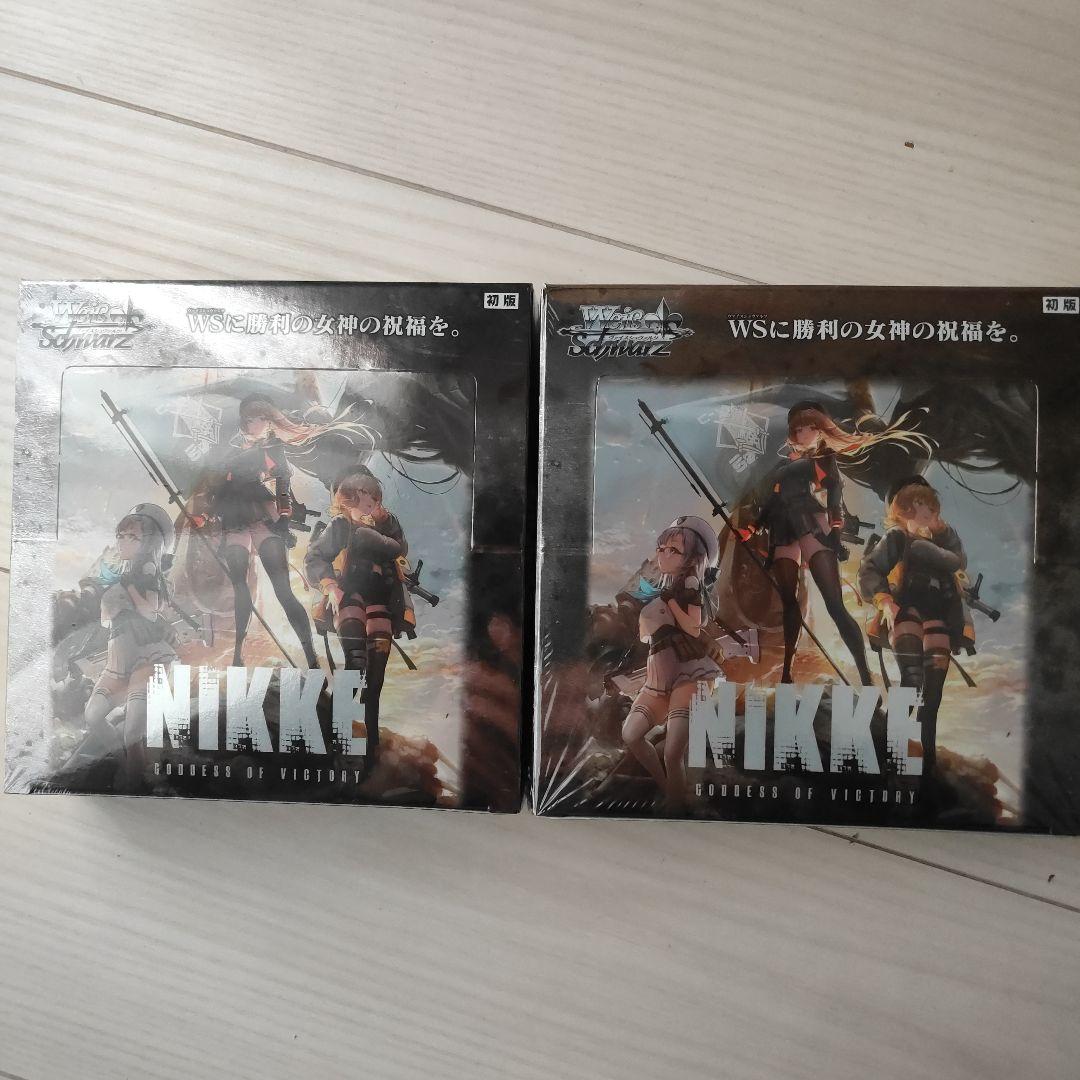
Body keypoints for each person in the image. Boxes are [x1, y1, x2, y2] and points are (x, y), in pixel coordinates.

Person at [751, 400, 928, 685]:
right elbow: (773, 500)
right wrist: (753, 527)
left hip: (810, 521)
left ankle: (865, 678)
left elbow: (834, 495)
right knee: (788, 602)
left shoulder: (822, 460)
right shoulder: (782, 463)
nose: (803, 433)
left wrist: (835, 530)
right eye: (798, 429)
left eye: (809, 427)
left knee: (834, 604)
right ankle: (787, 672)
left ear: (820, 429)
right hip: (782, 527)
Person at [192, 395, 320, 668]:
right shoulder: (228, 446)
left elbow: (282, 481)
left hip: (262, 511)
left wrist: (284, 516)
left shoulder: (271, 446)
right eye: (249, 418)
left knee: (283, 589)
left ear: (269, 420)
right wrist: (205, 515)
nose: (254, 423)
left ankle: (311, 656)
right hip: (232, 516)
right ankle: (238, 653)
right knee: (240, 585)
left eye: (260, 417)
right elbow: (215, 486)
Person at [858, 476, 971, 779]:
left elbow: (959, 567)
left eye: (931, 507)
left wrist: (943, 533)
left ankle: (928, 764)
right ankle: (883, 752)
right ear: (905, 508)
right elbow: (870, 569)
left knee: (932, 695)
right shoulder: (897, 537)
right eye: (921, 505)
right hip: (906, 610)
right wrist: (884, 600)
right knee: (912, 681)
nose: (928, 512)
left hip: (937, 616)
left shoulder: (943, 546)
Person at [304, 468, 410, 756]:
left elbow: (401, 549)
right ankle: (332, 732)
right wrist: (330, 586)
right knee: (356, 662)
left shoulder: (385, 528)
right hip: (350, 594)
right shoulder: (341, 525)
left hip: (381, 599)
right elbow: (315, 556)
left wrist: (386, 522)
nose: (368, 506)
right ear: (348, 500)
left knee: (376, 675)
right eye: (362, 499)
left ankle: (372, 744)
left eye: (372, 500)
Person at [621, 516, 723, 804]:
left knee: (673, 752)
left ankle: (675, 805)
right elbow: (643, 631)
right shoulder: (659, 584)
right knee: (631, 735)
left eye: (673, 550)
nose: (663, 554)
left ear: (692, 557)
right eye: (661, 548)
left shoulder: (689, 583)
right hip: (659, 672)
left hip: (689, 672)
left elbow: (694, 627)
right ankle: (668, 789)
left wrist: (671, 603)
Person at [82, 503, 180, 792]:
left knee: (132, 733)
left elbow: (150, 612)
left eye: (133, 537)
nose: (124, 542)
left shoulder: (147, 569)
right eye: (121, 536)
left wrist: (129, 588)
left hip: (146, 656)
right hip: (118, 655)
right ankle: (127, 767)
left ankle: (135, 784)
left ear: (148, 542)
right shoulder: (118, 569)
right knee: (93, 715)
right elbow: (105, 621)